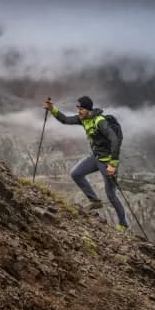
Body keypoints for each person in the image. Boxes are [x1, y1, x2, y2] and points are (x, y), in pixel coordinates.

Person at [43, 96, 128, 231]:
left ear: (88, 109)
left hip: (107, 162)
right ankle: (94, 201)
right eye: (78, 109)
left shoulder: (99, 121)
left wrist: (113, 164)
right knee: (76, 173)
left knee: (111, 194)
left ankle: (123, 224)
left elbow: (114, 140)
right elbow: (65, 120)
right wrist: (53, 109)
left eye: (81, 109)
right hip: (95, 157)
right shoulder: (83, 119)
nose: (79, 112)